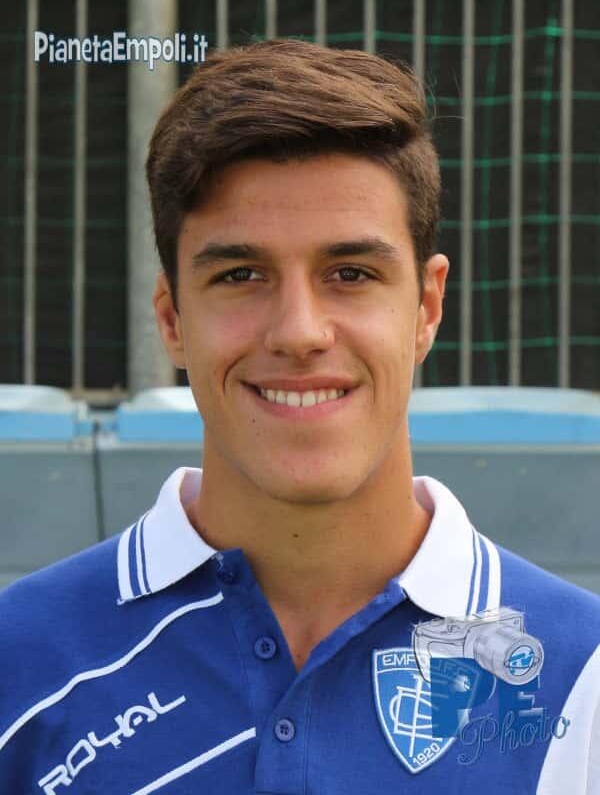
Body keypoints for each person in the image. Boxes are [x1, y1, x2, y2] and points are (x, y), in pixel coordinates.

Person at [1, 39, 599, 794]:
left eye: (350, 273)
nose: (299, 332)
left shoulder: (584, 677)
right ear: (172, 318)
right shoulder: (18, 659)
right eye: (241, 274)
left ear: (426, 308)